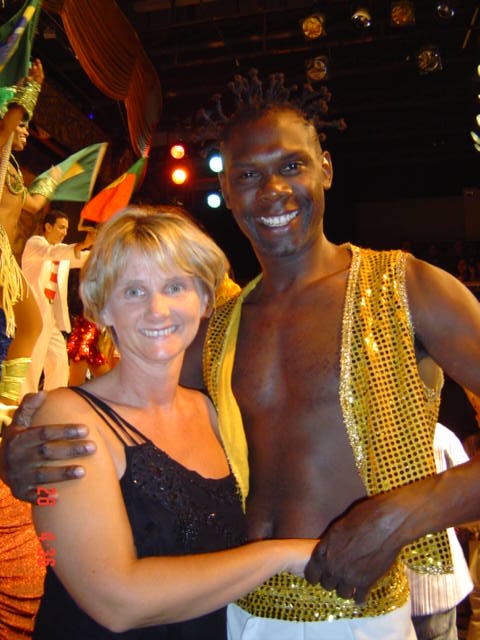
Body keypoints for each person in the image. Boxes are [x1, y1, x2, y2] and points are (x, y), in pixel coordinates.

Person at [3, 78, 480, 640]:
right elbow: (122, 410)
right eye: (248, 176)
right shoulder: (216, 328)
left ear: (325, 169)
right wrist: (23, 449)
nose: (273, 190)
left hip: (354, 612)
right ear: (227, 192)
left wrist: (405, 514)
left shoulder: (407, 288)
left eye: (292, 166)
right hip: (231, 610)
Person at [27, 205, 316, 639]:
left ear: (204, 300)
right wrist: (282, 556)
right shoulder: (69, 417)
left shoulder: (215, 413)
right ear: (103, 308)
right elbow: (115, 602)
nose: (157, 309)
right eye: (133, 291)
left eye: (175, 286)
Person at [0, 59, 62, 408]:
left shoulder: (10, 169)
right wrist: (32, 89)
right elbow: (4, 132)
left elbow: (34, 204)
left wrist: (54, 178)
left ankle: (6, 405)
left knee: (31, 324)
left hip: (5, 259)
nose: (26, 131)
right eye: (22, 124)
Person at [406, 423, 472, 640]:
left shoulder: (360, 436)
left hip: (383, 585)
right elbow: (468, 497)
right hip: (434, 585)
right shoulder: (440, 435)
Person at [21, 210, 95, 394]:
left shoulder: (62, 252)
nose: (64, 232)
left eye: (67, 228)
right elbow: (53, 253)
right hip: (35, 311)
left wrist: (103, 247)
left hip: (50, 314)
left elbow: (82, 258)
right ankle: (25, 401)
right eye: (61, 227)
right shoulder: (36, 243)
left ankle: (52, 401)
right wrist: (83, 244)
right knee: (34, 360)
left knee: (59, 361)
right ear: (48, 226)